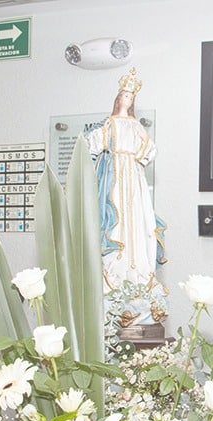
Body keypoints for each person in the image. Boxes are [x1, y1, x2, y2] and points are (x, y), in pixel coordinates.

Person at [85, 68, 166, 294]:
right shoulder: (109, 123)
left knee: (138, 219)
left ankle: (138, 270)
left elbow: (149, 146)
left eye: (131, 97)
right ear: (118, 98)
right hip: (115, 176)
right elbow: (93, 143)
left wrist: (138, 158)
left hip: (133, 175)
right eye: (125, 96)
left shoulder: (135, 124)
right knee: (116, 217)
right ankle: (115, 273)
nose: (127, 99)